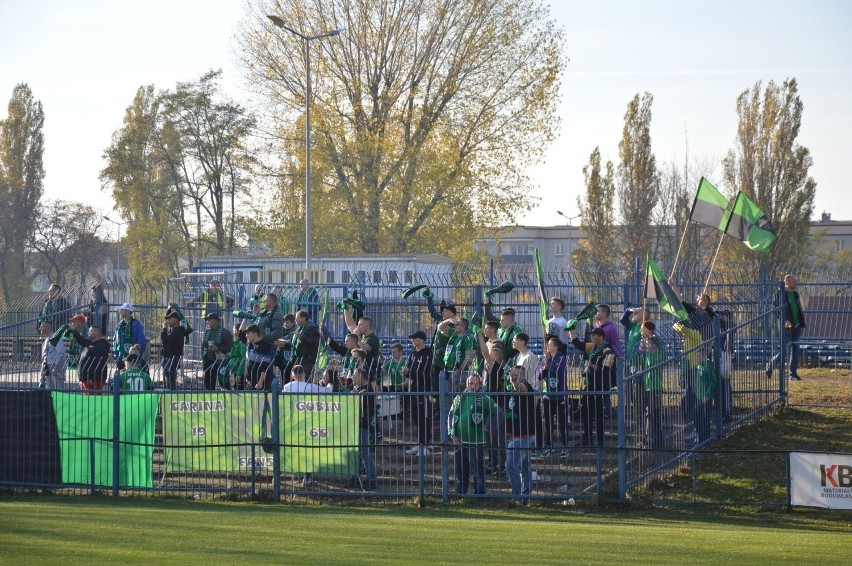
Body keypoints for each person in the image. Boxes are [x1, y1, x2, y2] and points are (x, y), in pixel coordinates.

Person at [449, 374, 497, 496]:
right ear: (466, 383)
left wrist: (489, 427)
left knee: (477, 472)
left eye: (476, 384)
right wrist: (452, 434)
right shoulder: (459, 398)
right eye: (471, 383)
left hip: (476, 441)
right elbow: (451, 415)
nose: (473, 386)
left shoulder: (484, 398)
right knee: (460, 471)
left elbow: (497, 413)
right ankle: (461, 495)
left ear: (479, 385)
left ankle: (479, 496)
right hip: (459, 441)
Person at [569, 327, 616, 448]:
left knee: (598, 414)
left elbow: (605, 370)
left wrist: (592, 365)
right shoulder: (591, 347)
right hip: (589, 385)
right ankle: (587, 439)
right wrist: (571, 329)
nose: (593, 338)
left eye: (595, 335)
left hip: (601, 386)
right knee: (586, 412)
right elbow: (577, 344)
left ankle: (600, 441)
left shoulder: (607, 351)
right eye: (592, 335)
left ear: (601, 337)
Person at [475, 326, 508, 475]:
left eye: (492, 354)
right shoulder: (489, 368)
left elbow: (484, 352)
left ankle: (502, 465)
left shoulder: (497, 366)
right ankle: (493, 463)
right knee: (489, 436)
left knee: (498, 437)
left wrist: (480, 335)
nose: (488, 356)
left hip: (497, 403)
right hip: (489, 403)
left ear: (497, 356)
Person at [504, 365, 538, 503]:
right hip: (513, 435)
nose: (514, 376)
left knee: (511, 465)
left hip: (523, 435)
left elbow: (521, 389)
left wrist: (515, 381)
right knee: (524, 466)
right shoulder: (508, 389)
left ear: (522, 375)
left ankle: (517, 496)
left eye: (517, 374)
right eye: (512, 374)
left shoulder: (526, 386)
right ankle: (525, 497)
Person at [768, 274, 806, 381]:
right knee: (784, 350)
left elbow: (798, 309)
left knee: (795, 351)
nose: (796, 283)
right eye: (794, 281)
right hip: (787, 327)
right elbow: (775, 309)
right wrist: (784, 320)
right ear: (788, 282)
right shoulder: (780, 294)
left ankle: (792, 374)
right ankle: (770, 366)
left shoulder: (795, 294)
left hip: (797, 326)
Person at [349, 355, 379, 490]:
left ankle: (372, 479)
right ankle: (356, 477)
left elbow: (369, 410)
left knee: (364, 453)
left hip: (363, 425)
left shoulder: (368, 390)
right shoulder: (358, 388)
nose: (352, 377)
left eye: (355, 375)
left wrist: (360, 420)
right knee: (358, 452)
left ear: (362, 377)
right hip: (357, 425)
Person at [402, 330, 433, 456]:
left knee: (424, 418)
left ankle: (425, 445)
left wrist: (412, 372)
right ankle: (419, 443)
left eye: (414, 338)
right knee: (416, 418)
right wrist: (406, 372)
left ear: (421, 340)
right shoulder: (413, 354)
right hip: (413, 389)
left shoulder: (428, 354)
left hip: (424, 390)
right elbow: (410, 371)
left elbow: (425, 372)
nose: (412, 341)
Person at [536, 336, 568, 457]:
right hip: (548, 396)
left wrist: (548, 362)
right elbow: (539, 375)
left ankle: (565, 446)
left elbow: (558, 370)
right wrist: (544, 367)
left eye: (549, 344)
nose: (547, 346)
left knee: (561, 422)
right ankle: (549, 445)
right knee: (548, 423)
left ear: (555, 347)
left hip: (559, 395)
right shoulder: (546, 358)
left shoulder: (561, 358)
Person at [639, 321, 666, 449]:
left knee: (654, 413)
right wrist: (642, 349)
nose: (649, 345)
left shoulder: (658, 354)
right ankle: (648, 437)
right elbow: (638, 358)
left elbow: (662, 349)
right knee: (648, 413)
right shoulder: (648, 353)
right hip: (647, 385)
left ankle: (657, 439)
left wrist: (650, 337)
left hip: (655, 386)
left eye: (651, 344)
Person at [68, 319, 110, 392]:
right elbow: (81, 340)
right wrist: (73, 331)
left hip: (93, 381)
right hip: (86, 379)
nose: (88, 332)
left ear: (97, 333)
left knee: (92, 401)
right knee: (87, 401)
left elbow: (101, 363)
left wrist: (93, 379)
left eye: (90, 331)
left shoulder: (101, 345)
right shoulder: (90, 343)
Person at [343, 310, 381, 380]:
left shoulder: (373, 338)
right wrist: (346, 309)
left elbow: (365, 348)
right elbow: (350, 324)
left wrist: (357, 337)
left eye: (360, 325)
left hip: (370, 371)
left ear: (367, 327)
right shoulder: (361, 336)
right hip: (360, 370)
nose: (358, 326)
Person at [442, 317, 476, 392]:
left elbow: (469, 357)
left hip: (460, 373)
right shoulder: (454, 334)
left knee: (458, 397)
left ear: (463, 326)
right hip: (448, 370)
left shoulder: (468, 338)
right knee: (447, 397)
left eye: (457, 324)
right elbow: (440, 328)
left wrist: (459, 370)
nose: (455, 326)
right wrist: (448, 320)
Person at [201, 312, 234, 390]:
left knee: (223, 381)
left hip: (221, 361)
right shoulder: (207, 332)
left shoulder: (225, 332)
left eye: (208, 320)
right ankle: (211, 398)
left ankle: (228, 397)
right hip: (209, 360)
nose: (207, 322)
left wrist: (218, 349)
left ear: (215, 321)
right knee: (208, 381)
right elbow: (203, 345)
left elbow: (231, 347)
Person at [287, 310, 321, 380]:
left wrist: (301, 337)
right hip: (299, 358)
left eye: (298, 318)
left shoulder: (311, 328)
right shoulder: (300, 328)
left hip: (307, 360)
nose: (295, 320)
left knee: (306, 380)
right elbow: (297, 343)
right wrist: (286, 343)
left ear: (304, 318)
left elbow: (313, 342)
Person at [240, 323, 275, 390]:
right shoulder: (249, 344)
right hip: (249, 382)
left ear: (255, 333)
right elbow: (241, 333)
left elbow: (264, 366)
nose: (246, 336)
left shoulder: (264, 346)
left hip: (259, 384)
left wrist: (260, 382)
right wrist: (245, 319)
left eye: (248, 333)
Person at [161, 311, 190, 389]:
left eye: (170, 318)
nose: (168, 321)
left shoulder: (178, 331)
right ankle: (170, 389)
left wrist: (164, 329)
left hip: (173, 356)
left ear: (176, 320)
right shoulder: (173, 330)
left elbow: (165, 340)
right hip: (168, 356)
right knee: (168, 376)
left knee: (170, 374)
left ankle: (172, 391)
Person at [113, 303, 146, 372]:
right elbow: (115, 340)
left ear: (127, 311)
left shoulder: (136, 325)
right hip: (120, 356)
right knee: (121, 378)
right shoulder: (120, 325)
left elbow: (141, 340)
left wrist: (137, 352)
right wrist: (116, 353)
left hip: (132, 357)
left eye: (122, 310)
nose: (120, 311)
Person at [39, 320, 67, 389]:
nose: (40, 328)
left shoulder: (56, 337)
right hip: (48, 368)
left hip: (55, 367)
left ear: (48, 327)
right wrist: (42, 372)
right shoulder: (46, 340)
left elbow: (60, 352)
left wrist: (56, 367)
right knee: (50, 390)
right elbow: (44, 357)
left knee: (59, 390)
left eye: (42, 326)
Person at [273, 313, 297, 382]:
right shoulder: (282, 331)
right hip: (280, 356)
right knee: (282, 374)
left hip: (288, 358)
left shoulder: (294, 332)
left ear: (293, 323)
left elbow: (291, 343)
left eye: (287, 323)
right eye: (284, 323)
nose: (285, 324)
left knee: (288, 374)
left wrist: (283, 343)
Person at [226, 320, 247, 389]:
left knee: (240, 389)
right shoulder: (236, 342)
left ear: (238, 331)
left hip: (239, 371)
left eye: (234, 330)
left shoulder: (241, 343)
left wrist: (239, 373)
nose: (233, 332)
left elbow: (243, 357)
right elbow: (233, 355)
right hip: (234, 369)